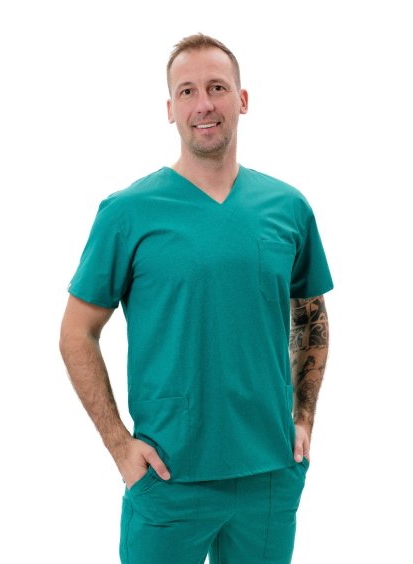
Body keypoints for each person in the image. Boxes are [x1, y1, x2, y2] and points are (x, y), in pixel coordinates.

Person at [59, 33, 334, 564]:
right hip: (168, 477)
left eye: (217, 88)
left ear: (242, 99)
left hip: (270, 476)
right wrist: (120, 447)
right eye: (187, 91)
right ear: (170, 109)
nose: (203, 104)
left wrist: (303, 419)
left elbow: (310, 318)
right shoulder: (127, 212)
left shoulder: (288, 208)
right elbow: (77, 332)